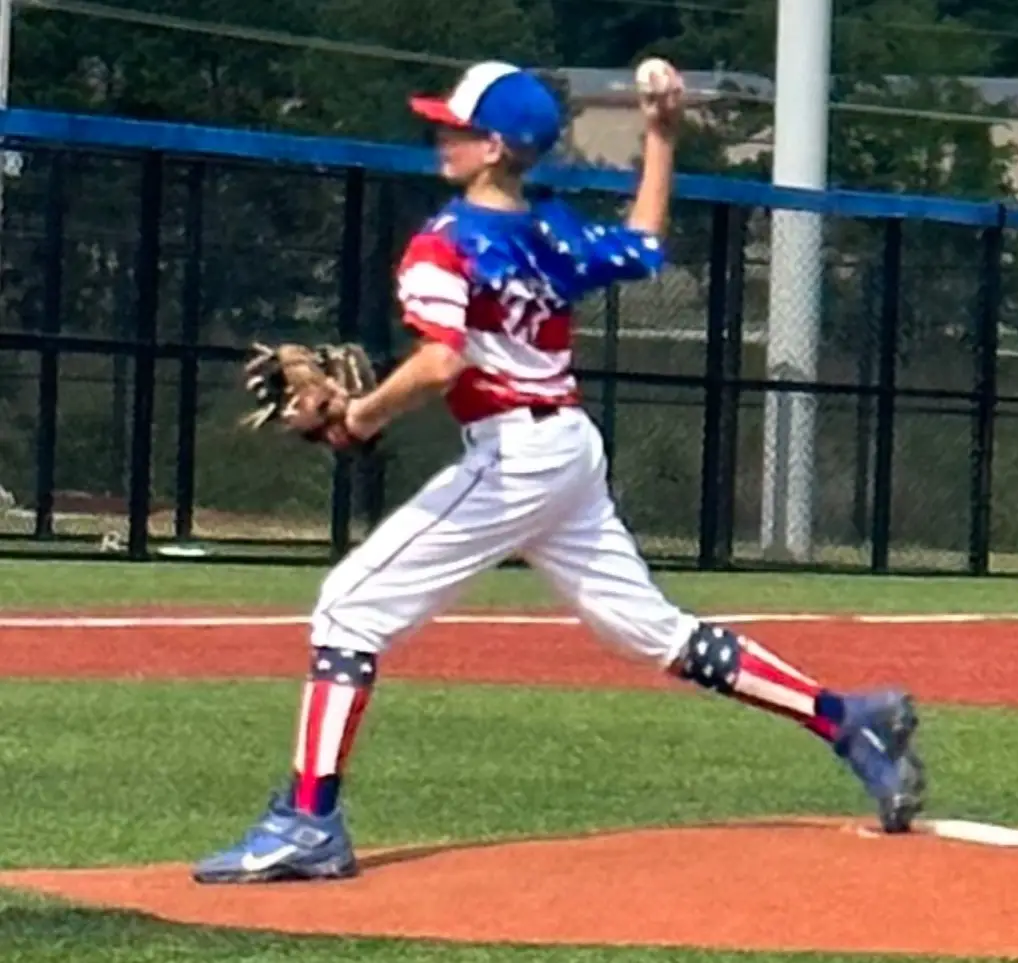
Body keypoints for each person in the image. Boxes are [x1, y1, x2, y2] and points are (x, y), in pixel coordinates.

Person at [193, 60, 925, 884]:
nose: (442, 138)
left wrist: (359, 417)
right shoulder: (551, 233)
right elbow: (645, 244)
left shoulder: (444, 242)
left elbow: (440, 362)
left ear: (496, 147)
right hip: (567, 447)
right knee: (650, 632)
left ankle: (309, 821)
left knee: (348, 608)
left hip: (516, 456)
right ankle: (845, 718)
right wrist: (661, 134)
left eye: (458, 129)